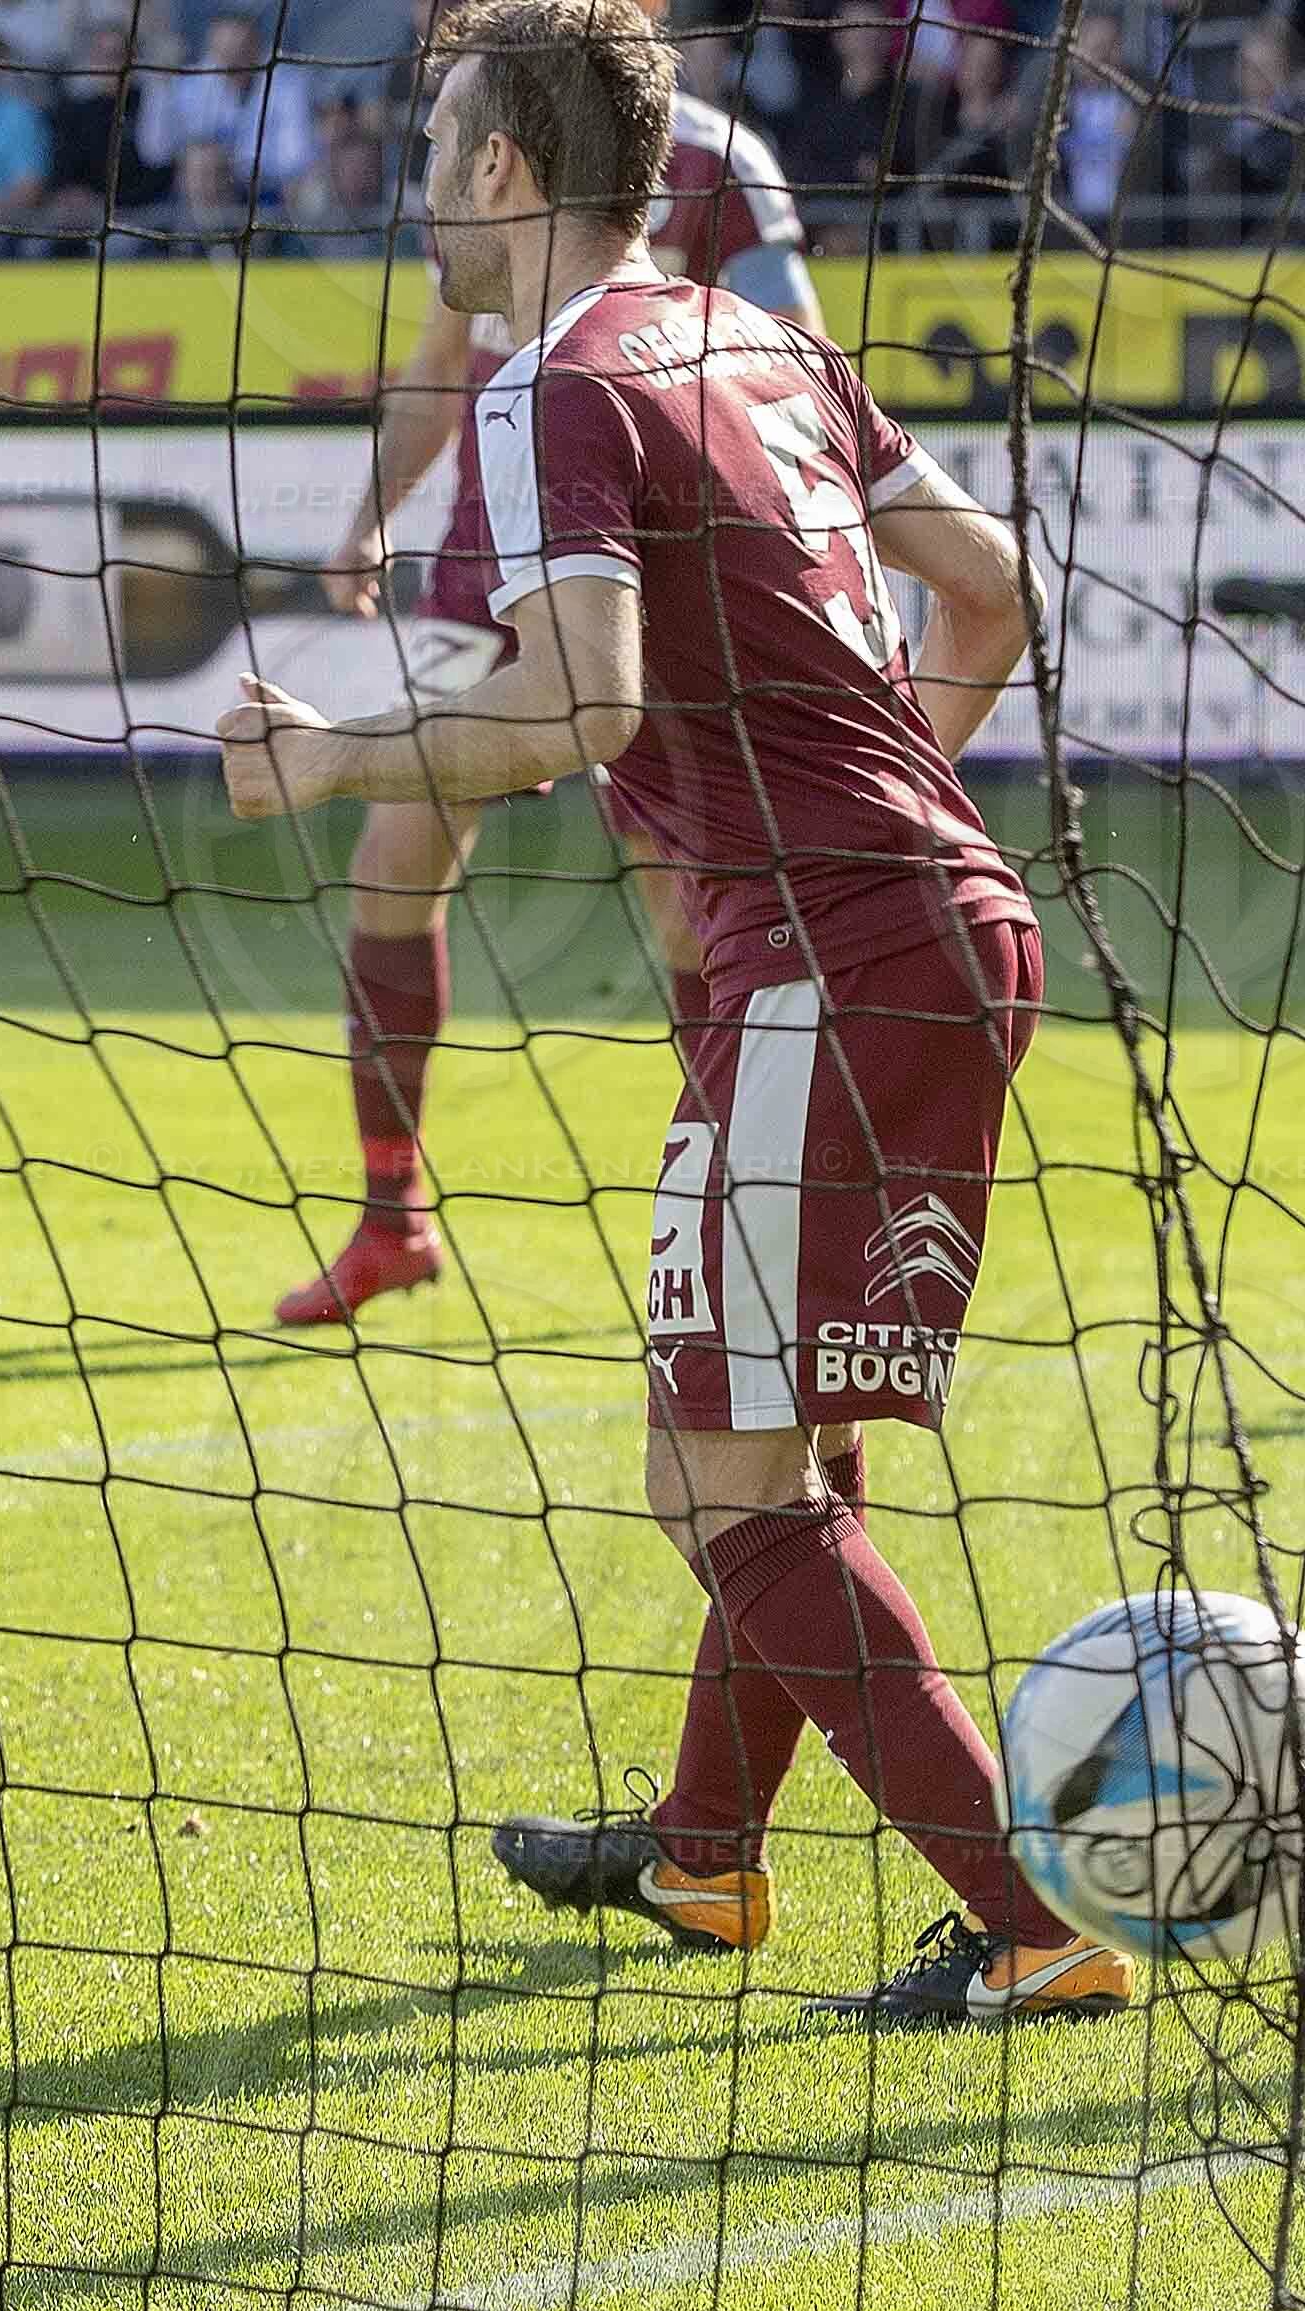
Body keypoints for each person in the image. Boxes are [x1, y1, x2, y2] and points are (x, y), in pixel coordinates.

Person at [209, 0, 1120, 2025]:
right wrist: (884, 825)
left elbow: (573, 706)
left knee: (706, 1482)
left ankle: (1036, 1924)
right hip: (929, 933)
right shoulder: (753, 339)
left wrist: (331, 752)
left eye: (431, 143)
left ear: (503, 173)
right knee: (766, 1440)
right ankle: (703, 1859)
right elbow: (987, 596)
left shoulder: (550, 388)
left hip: (823, 963)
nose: (412, 183)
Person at [281, 37, 811, 1327]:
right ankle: (391, 1215)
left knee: (692, 915)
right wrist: (368, 515)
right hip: (488, 571)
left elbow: (793, 353)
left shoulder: (716, 160)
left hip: (657, 586)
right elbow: (435, 370)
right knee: (391, 858)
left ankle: (737, 1211)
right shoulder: (485, 161)